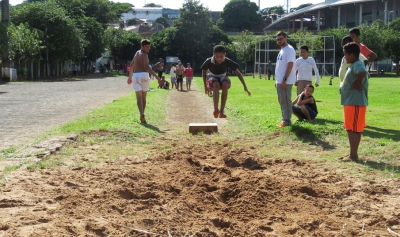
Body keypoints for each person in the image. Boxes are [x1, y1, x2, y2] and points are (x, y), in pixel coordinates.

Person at [201, 45, 251, 118]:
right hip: (211, 76)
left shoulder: (227, 61)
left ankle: (221, 112)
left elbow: (238, 73)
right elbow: (203, 71)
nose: (219, 59)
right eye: (217, 57)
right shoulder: (209, 61)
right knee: (216, 84)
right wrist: (205, 87)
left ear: (225, 54)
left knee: (225, 84)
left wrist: (245, 87)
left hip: (223, 76)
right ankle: (215, 109)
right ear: (213, 54)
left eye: (221, 56)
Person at [341, 42, 369, 161]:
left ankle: (353, 155)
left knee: (352, 129)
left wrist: (357, 82)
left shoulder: (358, 64)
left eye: (346, 55)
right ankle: (353, 153)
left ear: (352, 55)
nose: (345, 57)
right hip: (350, 102)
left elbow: (363, 72)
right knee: (352, 128)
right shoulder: (352, 65)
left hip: (355, 103)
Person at [127, 39, 160, 124]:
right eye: (146, 47)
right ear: (142, 46)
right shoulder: (145, 55)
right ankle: (142, 114)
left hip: (135, 75)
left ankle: (141, 113)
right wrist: (157, 77)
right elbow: (146, 67)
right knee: (144, 98)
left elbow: (131, 65)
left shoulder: (137, 53)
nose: (148, 48)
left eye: (149, 47)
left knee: (138, 98)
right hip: (144, 75)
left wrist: (130, 77)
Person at [275, 31, 296, 128]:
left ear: (286, 38)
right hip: (280, 81)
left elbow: (290, 65)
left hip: (285, 81)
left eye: (281, 39)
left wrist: (284, 79)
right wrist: (278, 80)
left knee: (286, 100)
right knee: (282, 100)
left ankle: (287, 121)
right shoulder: (282, 50)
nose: (279, 41)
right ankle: (285, 119)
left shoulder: (289, 49)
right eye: (278, 39)